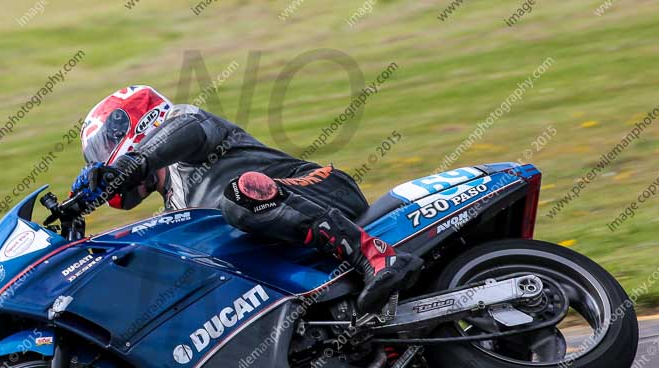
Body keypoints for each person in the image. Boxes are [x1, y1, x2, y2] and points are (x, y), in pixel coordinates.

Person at [73, 85, 422, 314]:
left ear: (138, 125)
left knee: (239, 195)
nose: (105, 161)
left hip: (321, 190)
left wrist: (131, 164)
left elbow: (186, 132)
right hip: (290, 238)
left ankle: (377, 256)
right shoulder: (176, 208)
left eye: (106, 149)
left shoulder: (187, 130)